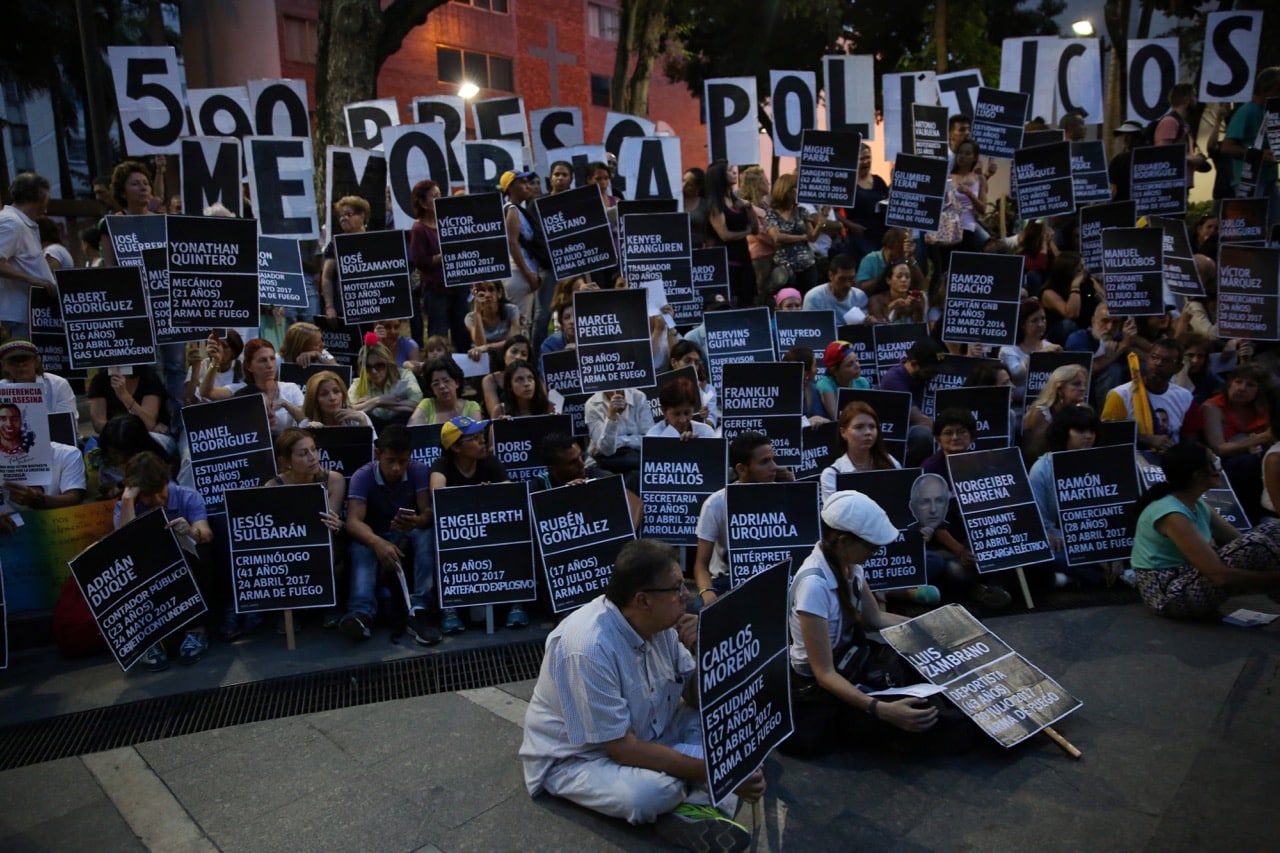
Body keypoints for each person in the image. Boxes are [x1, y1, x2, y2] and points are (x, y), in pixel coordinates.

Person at [520, 538, 765, 849]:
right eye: (676, 588)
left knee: (740, 737)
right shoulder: (588, 648)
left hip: (653, 731)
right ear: (643, 600)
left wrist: (704, 651)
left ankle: (695, 809)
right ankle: (701, 800)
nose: (686, 596)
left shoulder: (662, 625)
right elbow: (623, 750)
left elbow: (694, 697)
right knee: (656, 792)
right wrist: (718, 771)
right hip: (582, 758)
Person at [781, 490, 979, 757]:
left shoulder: (850, 564)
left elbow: (875, 619)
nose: (876, 552)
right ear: (842, 541)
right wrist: (881, 710)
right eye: (871, 546)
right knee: (938, 724)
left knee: (937, 675)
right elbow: (824, 674)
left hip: (852, 662)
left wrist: (933, 629)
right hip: (822, 689)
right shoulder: (813, 586)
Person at [1130, 440, 1280, 620]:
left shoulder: (1197, 504)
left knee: (1272, 531)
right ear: (1197, 475)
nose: (1220, 468)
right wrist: (1273, 578)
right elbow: (1218, 575)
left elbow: (1240, 540)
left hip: (1189, 578)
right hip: (1169, 596)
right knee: (1258, 542)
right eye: (1214, 463)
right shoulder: (1172, 514)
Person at [340, 424, 442, 646]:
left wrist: (418, 520)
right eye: (391, 461)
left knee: (426, 534)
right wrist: (378, 543)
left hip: (405, 531)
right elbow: (354, 522)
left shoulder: (418, 470)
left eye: (403, 461)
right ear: (378, 454)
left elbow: (427, 512)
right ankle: (361, 612)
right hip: (374, 533)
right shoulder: (363, 476)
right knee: (360, 547)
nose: (397, 468)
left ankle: (420, 607)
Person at [114, 451, 214, 670]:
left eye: (160, 493)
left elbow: (206, 533)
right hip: (148, 573)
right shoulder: (126, 506)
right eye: (149, 496)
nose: (157, 501)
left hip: (185, 569)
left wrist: (190, 531)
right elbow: (123, 547)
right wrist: (128, 499)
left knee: (204, 553)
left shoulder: (187, 496)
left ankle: (196, 630)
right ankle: (146, 639)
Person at [429, 415, 520, 630]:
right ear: (456, 447)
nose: (483, 441)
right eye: (475, 438)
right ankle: (449, 608)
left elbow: (510, 491)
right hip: (459, 532)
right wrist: (474, 497)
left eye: (482, 436)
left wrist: (493, 493)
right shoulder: (442, 464)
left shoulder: (490, 461)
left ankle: (518, 603)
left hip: (493, 527)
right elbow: (437, 493)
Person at [691, 432, 790, 606]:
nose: (774, 467)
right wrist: (707, 594)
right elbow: (701, 565)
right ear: (741, 469)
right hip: (729, 582)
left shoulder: (786, 497)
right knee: (695, 608)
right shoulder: (715, 504)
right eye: (764, 462)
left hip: (779, 581)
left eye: (773, 459)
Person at [1027, 406, 1107, 587]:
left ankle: (1074, 579)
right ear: (1064, 433)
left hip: (1100, 541)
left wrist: (1110, 549)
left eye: (1091, 431)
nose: (1088, 436)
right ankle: (1101, 577)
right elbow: (1041, 519)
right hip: (1063, 543)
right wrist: (1057, 537)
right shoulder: (1041, 469)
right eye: (1080, 431)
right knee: (1044, 557)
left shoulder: (1105, 463)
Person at [1101, 337, 1193, 452]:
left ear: (1178, 368)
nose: (1158, 363)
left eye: (1167, 361)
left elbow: (1190, 439)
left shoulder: (1184, 397)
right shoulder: (1120, 395)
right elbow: (1106, 435)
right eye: (1154, 358)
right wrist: (1144, 438)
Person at [198, 338, 306, 434]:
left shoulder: (290, 388)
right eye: (262, 360)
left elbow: (305, 420)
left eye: (272, 359)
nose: (269, 365)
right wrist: (215, 361)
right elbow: (206, 392)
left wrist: (284, 403)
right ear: (249, 366)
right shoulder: (240, 390)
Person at [409, 179, 468, 351]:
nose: (439, 200)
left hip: (457, 286)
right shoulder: (419, 228)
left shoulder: (446, 222)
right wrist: (444, 256)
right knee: (439, 333)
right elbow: (420, 261)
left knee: (462, 331)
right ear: (422, 203)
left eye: (440, 196)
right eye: (434, 197)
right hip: (436, 290)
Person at [0, 173, 56, 340]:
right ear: (42, 195)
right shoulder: (12, 223)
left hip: (27, 316)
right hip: (16, 318)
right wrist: (35, 280)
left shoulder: (20, 222)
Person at [1220, 67, 1280, 214]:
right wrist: (1258, 155)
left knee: (1273, 225)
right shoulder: (1246, 112)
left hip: (1269, 178)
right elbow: (1226, 147)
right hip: (1249, 182)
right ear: (1271, 89)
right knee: (1253, 224)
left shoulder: (1268, 112)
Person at [878, 337, 946, 466]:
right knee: (923, 435)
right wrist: (946, 433)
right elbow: (918, 419)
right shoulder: (893, 380)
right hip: (900, 431)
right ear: (914, 364)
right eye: (931, 371)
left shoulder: (923, 376)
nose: (935, 376)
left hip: (930, 422)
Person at [819, 401, 901, 503]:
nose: (868, 432)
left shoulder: (890, 462)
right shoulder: (831, 475)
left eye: (872, 427)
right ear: (843, 432)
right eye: (859, 427)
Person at [704, 161, 759, 306]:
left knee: (748, 299)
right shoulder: (716, 205)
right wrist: (746, 232)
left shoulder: (737, 201)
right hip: (728, 261)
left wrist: (749, 207)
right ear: (720, 176)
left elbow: (756, 229)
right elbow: (725, 235)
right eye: (729, 171)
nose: (734, 173)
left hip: (744, 257)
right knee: (733, 300)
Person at [765, 173, 825, 294]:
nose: (798, 191)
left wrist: (821, 223)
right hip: (784, 267)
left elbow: (812, 237)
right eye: (795, 188)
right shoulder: (771, 213)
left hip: (807, 264)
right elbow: (777, 237)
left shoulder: (802, 211)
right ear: (786, 190)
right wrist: (801, 237)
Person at [0, 339, 77, 431]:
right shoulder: (1, 388)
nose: (20, 365)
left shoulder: (58, 384)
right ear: (4, 365)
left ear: (37, 361)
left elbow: (67, 425)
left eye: (25, 359)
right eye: (13, 361)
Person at [501, 169, 546, 324]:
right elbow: (512, 244)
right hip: (518, 274)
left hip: (520, 274)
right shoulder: (512, 210)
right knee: (520, 324)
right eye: (522, 182)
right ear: (510, 188)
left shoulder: (517, 210)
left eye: (528, 182)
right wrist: (528, 274)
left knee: (522, 322)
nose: (527, 186)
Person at [1021, 363, 1090, 463]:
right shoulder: (1041, 414)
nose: (1083, 388)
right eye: (1076, 384)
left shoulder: (1084, 410)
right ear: (1059, 388)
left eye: (1084, 384)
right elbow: (1032, 454)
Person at [998, 298, 1061, 404]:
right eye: (1034, 320)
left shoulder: (1049, 347)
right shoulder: (1008, 350)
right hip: (1015, 405)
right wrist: (1038, 355)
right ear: (1023, 324)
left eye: (1043, 319)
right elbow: (1016, 374)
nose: (1041, 324)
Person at [349, 339, 422, 430]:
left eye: (379, 365)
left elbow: (418, 406)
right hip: (373, 430)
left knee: (407, 415)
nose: (374, 371)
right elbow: (350, 410)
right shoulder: (359, 383)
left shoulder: (404, 376)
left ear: (388, 364)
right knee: (364, 417)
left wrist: (376, 403)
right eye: (368, 367)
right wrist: (377, 401)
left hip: (400, 429)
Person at [1153, 83, 1212, 196]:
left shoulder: (1182, 124)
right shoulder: (1170, 122)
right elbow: (1161, 153)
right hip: (1172, 186)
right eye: (1193, 96)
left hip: (1181, 183)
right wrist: (1191, 159)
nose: (1196, 100)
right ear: (1186, 99)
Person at [320, 195, 370, 320]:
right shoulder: (335, 244)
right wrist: (329, 307)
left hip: (371, 308)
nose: (344, 218)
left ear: (362, 216)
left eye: (349, 214)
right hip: (343, 308)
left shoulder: (375, 241)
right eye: (341, 215)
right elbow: (326, 277)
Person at [585, 388, 655, 474]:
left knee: (637, 474)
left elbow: (650, 441)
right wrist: (611, 416)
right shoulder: (592, 405)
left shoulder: (639, 397)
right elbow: (606, 450)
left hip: (635, 457)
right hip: (604, 461)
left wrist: (621, 441)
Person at [843, 143, 890, 260]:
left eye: (868, 157)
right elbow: (834, 212)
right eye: (862, 159)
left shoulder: (878, 180)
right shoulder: (848, 184)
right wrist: (851, 225)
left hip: (881, 233)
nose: (866, 162)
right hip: (860, 236)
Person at [409, 357, 482, 426]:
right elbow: (414, 433)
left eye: (446, 381)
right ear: (431, 389)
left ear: (456, 383)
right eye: (436, 384)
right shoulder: (427, 405)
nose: (442, 386)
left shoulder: (471, 407)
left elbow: (477, 437)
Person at [738, 166, 777, 295]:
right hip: (760, 257)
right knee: (762, 291)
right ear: (756, 184)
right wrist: (778, 241)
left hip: (772, 253)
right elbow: (759, 232)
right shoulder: (749, 208)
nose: (768, 183)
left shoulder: (766, 205)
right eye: (765, 180)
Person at [802, 253, 868, 322]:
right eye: (842, 279)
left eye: (851, 279)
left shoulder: (860, 296)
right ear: (831, 275)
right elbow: (809, 327)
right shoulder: (814, 297)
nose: (847, 284)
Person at [483, 335, 536, 419]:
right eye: (514, 352)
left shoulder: (536, 378)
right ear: (504, 355)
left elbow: (543, 404)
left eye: (524, 354)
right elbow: (495, 415)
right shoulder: (490, 380)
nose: (518, 357)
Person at [815, 340, 870, 420]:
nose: (857, 366)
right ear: (834, 370)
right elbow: (837, 418)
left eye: (857, 360)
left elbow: (868, 415)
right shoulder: (825, 384)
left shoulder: (862, 383)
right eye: (850, 364)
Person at [185, 330, 244, 404]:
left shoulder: (242, 370)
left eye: (224, 346)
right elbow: (189, 401)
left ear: (234, 352)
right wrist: (195, 370)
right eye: (215, 345)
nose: (219, 350)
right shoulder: (200, 366)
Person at [647, 377, 716, 440]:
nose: (683, 420)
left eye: (687, 413)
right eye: (676, 414)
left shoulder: (706, 433)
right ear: (664, 411)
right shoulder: (653, 436)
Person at [300, 370, 371, 428]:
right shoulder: (306, 425)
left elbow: (371, 446)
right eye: (324, 394)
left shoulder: (359, 418)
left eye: (336, 391)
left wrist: (363, 425)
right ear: (314, 400)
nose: (332, 398)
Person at [864, 260, 925, 325]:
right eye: (899, 277)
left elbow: (920, 327)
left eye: (907, 277)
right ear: (888, 280)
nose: (904, 280)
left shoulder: (916, 299)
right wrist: (891, 308)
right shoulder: (876, 301)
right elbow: (880, 329)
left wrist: (918, 308)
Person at [1107, 121, 1144, 201]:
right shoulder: (1118, 160)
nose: (1125, 138)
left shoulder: (1146, 158)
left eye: (1129, 135)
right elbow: (1112, 189)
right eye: (1123, 135)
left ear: (1137, 137)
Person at [682, 167, 708, 247]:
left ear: (698, 188)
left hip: (697, 248)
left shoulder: (705, 204)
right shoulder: (676, 201)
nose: (683, 186)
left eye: (689, 184)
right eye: (683, 181)